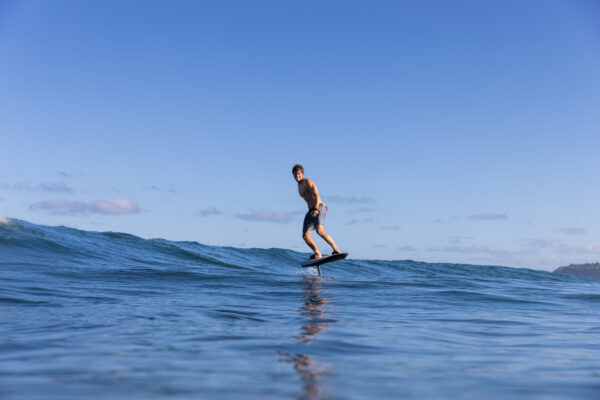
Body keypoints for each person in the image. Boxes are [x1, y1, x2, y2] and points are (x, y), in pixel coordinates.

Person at [292, 164, 341, 259]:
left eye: (298, 174)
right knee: (305, 235)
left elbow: (317, 195)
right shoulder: (299, 186)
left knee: (319, 231)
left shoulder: (308, 182)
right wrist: (312, 210)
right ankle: (317, 253)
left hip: (318, 208)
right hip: (310, 211)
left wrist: (316, 208)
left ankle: (336, 250)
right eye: (295, 174)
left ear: (302, 174)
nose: (297, 176)